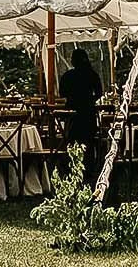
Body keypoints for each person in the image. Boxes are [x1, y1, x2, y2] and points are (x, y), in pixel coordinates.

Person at [59, 48, 104, 179]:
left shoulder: (68, 76)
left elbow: (62, 93)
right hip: (88, 112)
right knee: (88, 142)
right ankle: (88, 169)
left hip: (73, 114)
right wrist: (90, 100)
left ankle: (72, 167)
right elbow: (99, 93)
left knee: (73, 141)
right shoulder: (92, 75)